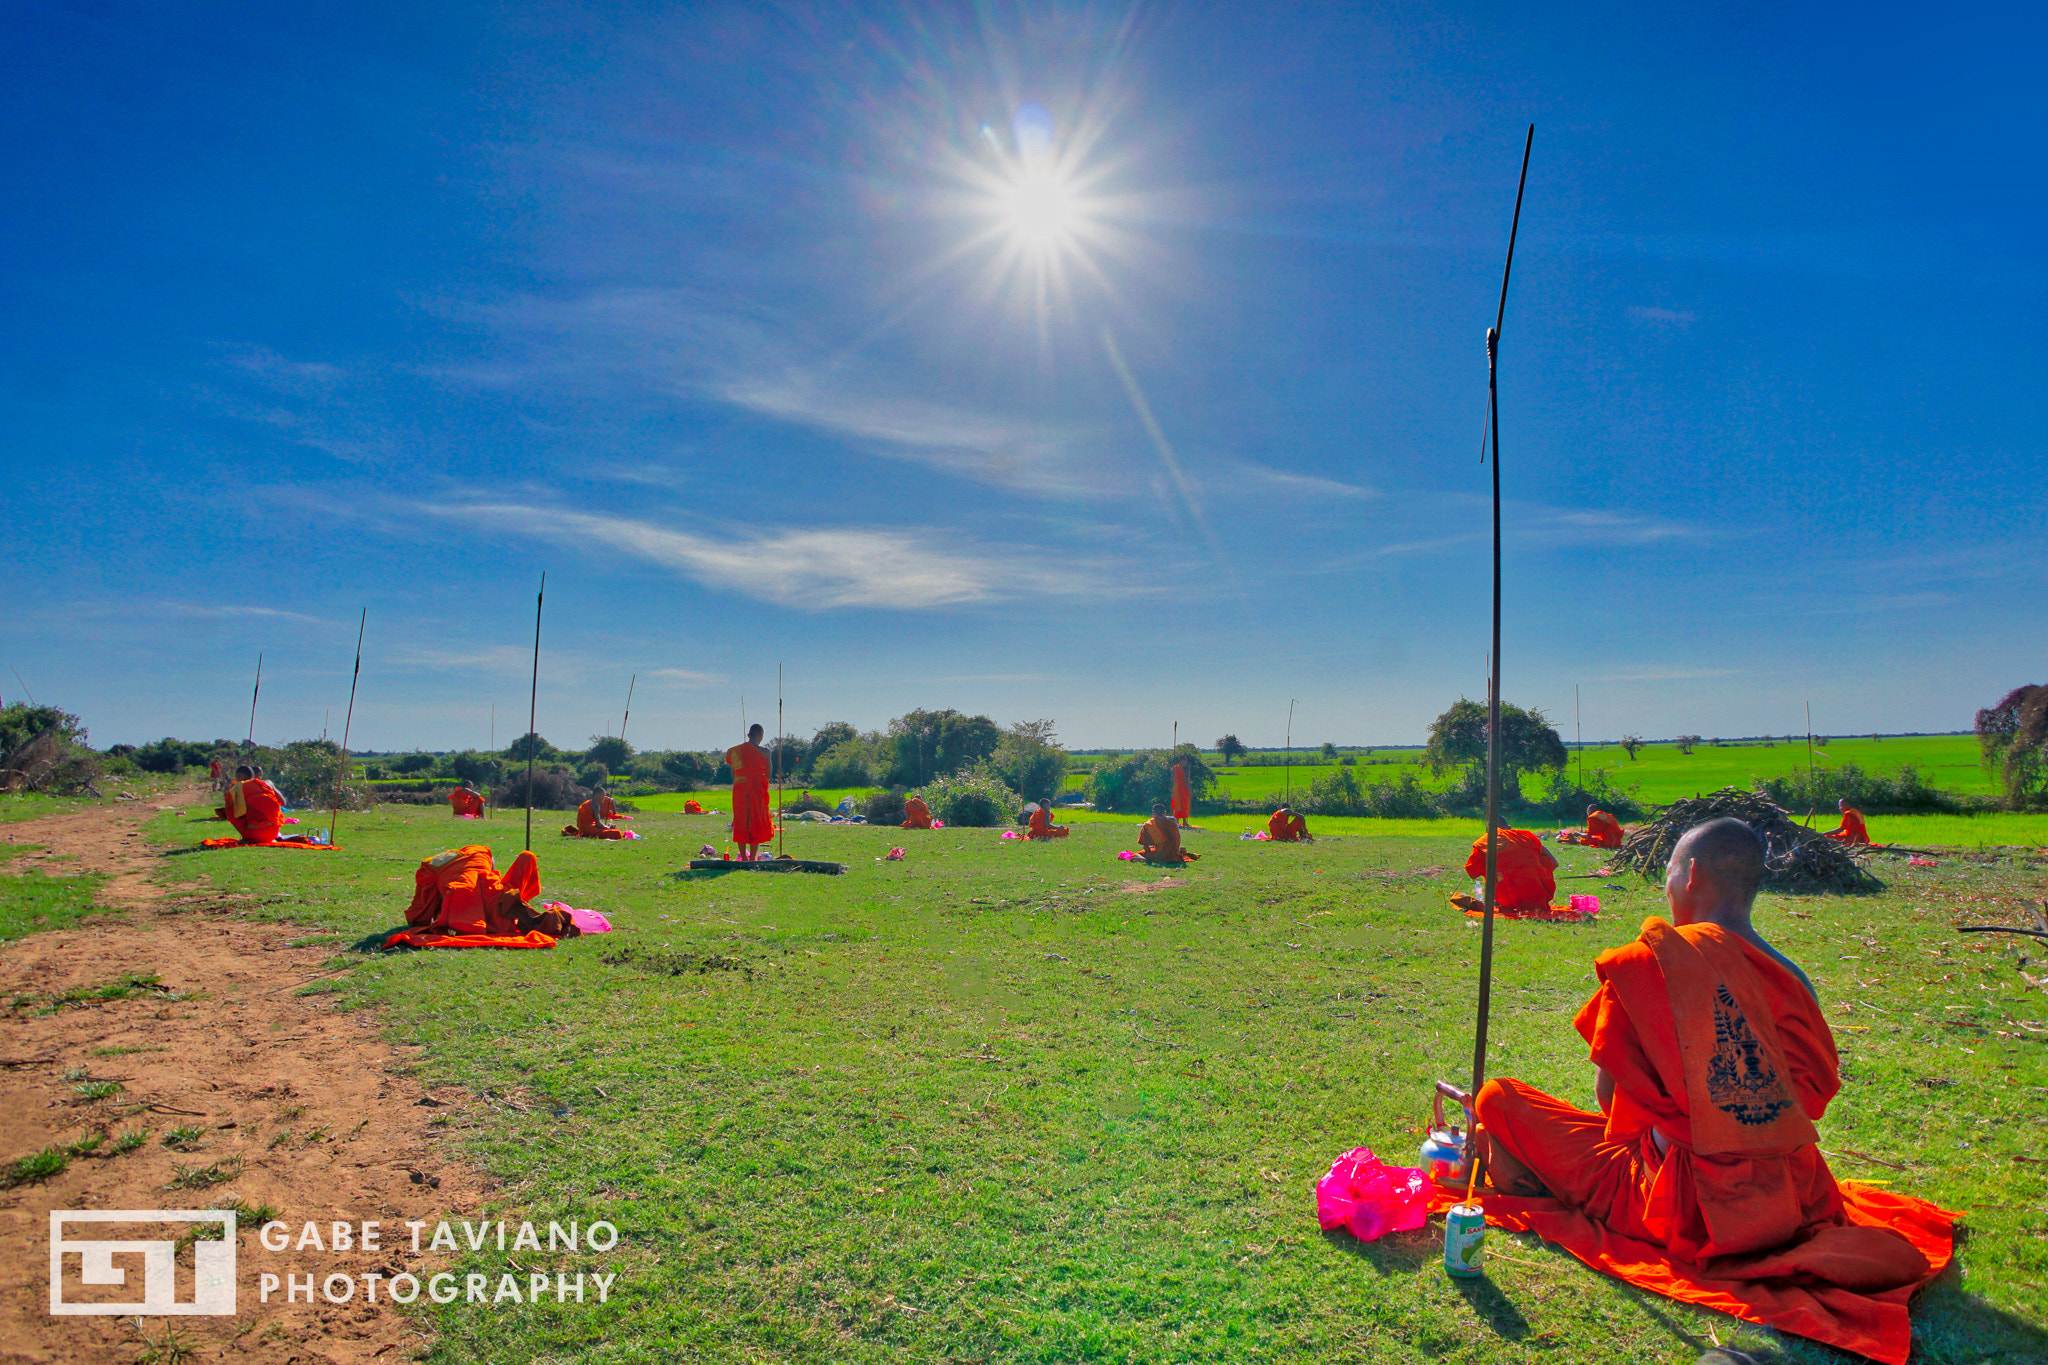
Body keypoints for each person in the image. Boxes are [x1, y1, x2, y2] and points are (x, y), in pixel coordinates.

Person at [1446, 819, 1953, 1364]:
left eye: (1666, 872)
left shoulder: (1654, 964)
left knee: (1498, 1096)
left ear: (1689, 875)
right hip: (1795, 1196)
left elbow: (1610, 1104)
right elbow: (1810, 1097)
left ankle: (1533, 1174)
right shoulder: (1791, 976)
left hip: (1682, 1206)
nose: (1665, 886)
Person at [398, 844, 575, 944]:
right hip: (497, 907)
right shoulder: (482, 853)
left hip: (464, 915)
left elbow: (421, 909)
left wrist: (420, 921)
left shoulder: (431, 865)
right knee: (527, 856)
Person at [1451, 827, 1558, 913]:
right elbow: (1555, 863)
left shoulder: (1486, 840)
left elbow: (1472, 871)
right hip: (1538, 896)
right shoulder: (1525, 837)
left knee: (1490, 870)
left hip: (1507, 899)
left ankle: (1499, 898)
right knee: (1540, 861)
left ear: (1488, 829)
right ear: (1509, 827)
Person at [724, 724, 774, 859]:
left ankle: (744, 858)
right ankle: (752, 857)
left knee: (741, 820)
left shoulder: (734, 751)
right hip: (757, 789)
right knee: (755, 820)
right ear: (760, 736)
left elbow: (734, 774)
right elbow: (768, 774)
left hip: (739, 789)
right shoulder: (765, 752)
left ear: (748, 735)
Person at [215, 765, 283, 844]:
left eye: (236, 777)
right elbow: (281, 803)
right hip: (273, 833)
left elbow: (236, 812)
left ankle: (245, 837)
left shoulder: (237, 787)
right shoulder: (263, 785)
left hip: (253, 834)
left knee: (230, 811)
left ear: (241, 776)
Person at [563, 789, 629, 839]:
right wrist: (608, 828)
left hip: (582, 828)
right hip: (589, 829)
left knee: (612, 830)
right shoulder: (595, 806)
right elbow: (598, 824)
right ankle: (589, 835)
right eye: (603, 796)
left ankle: (586, 834)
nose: (604, 798)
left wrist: (606, 827)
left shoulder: (589, 803)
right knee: (617, 833)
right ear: (597, 795)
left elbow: (596, 823)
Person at [1558, 805, 1624, 849]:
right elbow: (1599, 830)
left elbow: (1588, 836)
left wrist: (1579, 834)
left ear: (1589, 811)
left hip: (1609, 842)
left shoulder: (1592, 817)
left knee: (1584, 840)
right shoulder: (1603, 814)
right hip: (1617, 841)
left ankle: (1577, 841)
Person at [1170, 761, 1193, 827]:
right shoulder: (1175, 768)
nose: (1185, 763)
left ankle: (1184, 822)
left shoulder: (1185, 770)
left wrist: (1189, 789)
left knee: (1185, 804)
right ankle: (1177, 822)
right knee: (1177, 804)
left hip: (1184, 788)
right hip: (1177, 788)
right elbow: (1172, 777)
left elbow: (1187, 780)